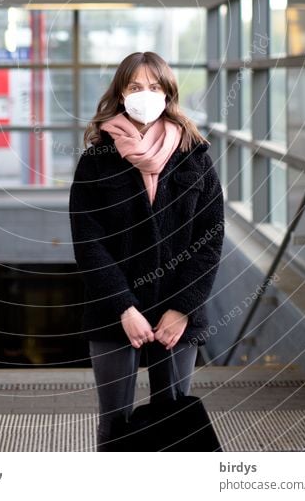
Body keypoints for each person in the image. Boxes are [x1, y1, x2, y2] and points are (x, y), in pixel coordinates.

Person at [69, 50, 225, 451]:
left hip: (177, 314)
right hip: (113, 313)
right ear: (120, 95)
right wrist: (124, 306)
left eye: (154, 87)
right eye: (135, 87)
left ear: (168, 93)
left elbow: (209, 240)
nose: (145, 95)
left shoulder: (195, 156)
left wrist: (183, 308)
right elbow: (89, 244)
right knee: (113, 425)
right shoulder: (97, 161)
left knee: (172, 422)